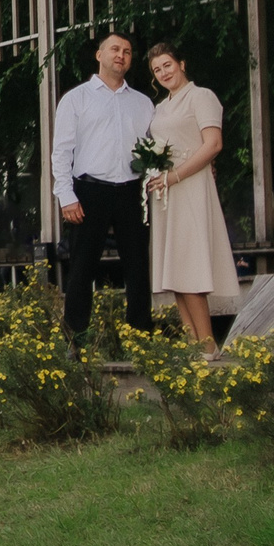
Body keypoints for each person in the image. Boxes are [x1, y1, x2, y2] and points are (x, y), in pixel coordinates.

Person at [51, 33, 154, 344]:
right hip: (88, 191)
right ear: (99, 55)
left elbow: (156, 148)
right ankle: (75, 339)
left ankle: (141, 337)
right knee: (82, 267)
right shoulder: (76, 98)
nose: (120, 55)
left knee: (137, 266)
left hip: (130, 192)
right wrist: (66, 196)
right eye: (114, 49)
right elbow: (61, 151)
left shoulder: (143, 103)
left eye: (127, 51)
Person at [141, 43, 239, 354]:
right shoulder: (161, 107)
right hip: (166, 193)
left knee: (191, 270)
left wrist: (176, 175)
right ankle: (193, 347)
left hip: (190, 187)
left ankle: (209, 349)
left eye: (167, 65)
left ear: (182, 64)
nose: (163, 73)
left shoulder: (201, 96)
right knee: (176, 275)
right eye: (157, 70)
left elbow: (212, 145)